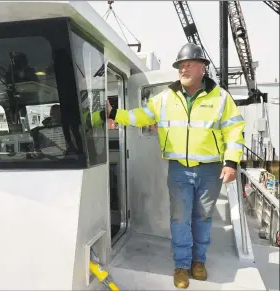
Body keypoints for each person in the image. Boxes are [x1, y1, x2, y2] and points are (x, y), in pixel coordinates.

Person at [105, 43, 245, 289]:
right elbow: (141, 115)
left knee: (202, 217)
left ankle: (198, 262)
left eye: (189, 64)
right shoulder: (166, 98)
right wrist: (114, 113)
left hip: (211, 169)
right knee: (180, 218)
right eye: (181, 65)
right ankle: (181, 266)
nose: (184, 68)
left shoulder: (221, 98)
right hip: (179, 169)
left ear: (203, 67)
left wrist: (231, 162)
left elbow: (234, 130)